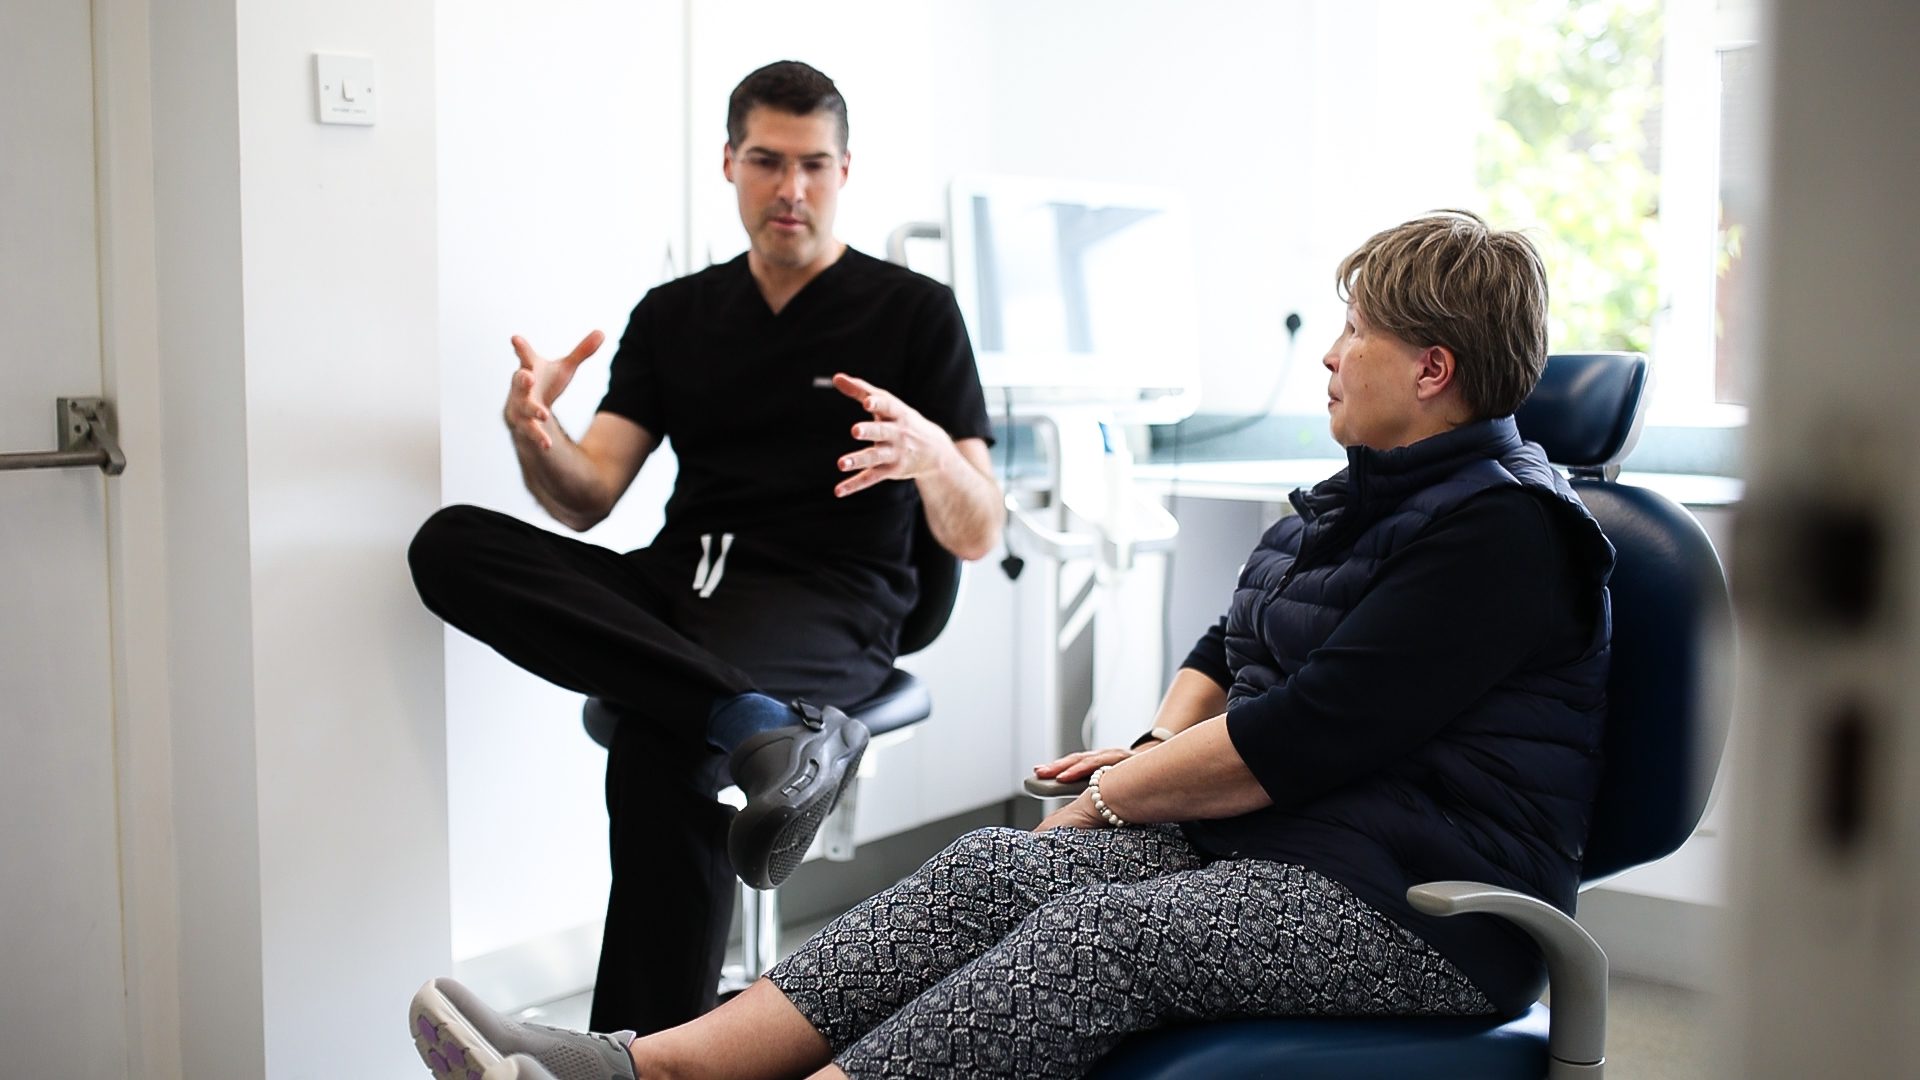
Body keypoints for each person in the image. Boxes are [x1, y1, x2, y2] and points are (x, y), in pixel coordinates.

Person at [406, 209, 1616, 1080]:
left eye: (1353, 330)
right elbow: (1224, 647)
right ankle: (649, 1068)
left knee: (1096, 935)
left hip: (1428, 912)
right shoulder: (1359, 495)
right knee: (996, 871)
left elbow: (1299, 737)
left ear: (1433, 367)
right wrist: (1145, 751)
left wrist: (1126, 793)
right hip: (1292, 851)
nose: (1329, 351)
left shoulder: (1507, 535)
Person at [407, 60, 1001, 1037]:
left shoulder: (913, 311)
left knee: (659, 737)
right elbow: (589, 496)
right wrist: (535, 434)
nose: (791, 189)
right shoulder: (676, 314)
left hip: (830, 598)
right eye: (767, 161)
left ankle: (636, 1051)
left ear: (847, 169)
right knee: (449, 545)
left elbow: (979, 529)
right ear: (729, 162)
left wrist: (932, 452)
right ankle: (760, 725)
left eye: (813, 164)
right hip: (680, 584)